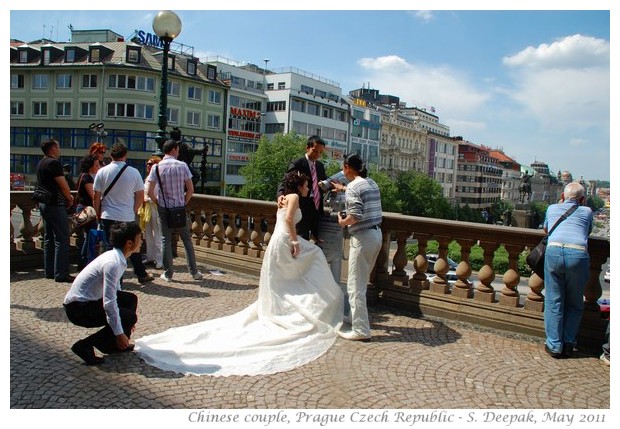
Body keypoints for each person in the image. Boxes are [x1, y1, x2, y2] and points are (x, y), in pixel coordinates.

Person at [135, 170, 343, 376]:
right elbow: (289, 220)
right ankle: (313, 301)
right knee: (313, 255)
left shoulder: (285, 196)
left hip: (277, 241)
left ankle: (286, 307)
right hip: (285, 240)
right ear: (299, 186)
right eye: (306, 185)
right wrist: (296, 241)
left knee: (282, 279)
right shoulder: (295, 196)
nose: (308, 188)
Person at [63, 222, 142, 365]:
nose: (141, 241)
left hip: (89, 302)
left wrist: (125, 324)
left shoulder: (117, 257)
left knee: (130, 300)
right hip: (78, 309)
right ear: (129, 243)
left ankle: (114, 344)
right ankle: (85, 345)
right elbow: (109, 301)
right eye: (139, 238)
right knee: (128, 316)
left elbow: (116, 291)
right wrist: (120, 329)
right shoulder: (113, 262)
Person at [334, 153, 383, 342]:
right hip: (376, 235)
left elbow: (355, 215)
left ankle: (361, 330)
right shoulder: (371, 182)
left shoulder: (353, 186)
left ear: (347, 167)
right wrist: (343, 188)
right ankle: (356, 318)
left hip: (362, 238)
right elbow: (358, 191)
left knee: (355, 286)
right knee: (361, 282)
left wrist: (342, 221)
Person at [542, 181, 593, 358]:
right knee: (575, 302)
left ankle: (554, 345)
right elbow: (586, 232)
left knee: (554, 300)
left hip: (554, 251)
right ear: (583, 199)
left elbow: (546, 229)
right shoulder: (587, 211)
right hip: (577, 255)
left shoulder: (551, 208)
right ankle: (568, 342)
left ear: (562, 197)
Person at [93, 143, 154, 284]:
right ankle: (140, 274)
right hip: (126, 216)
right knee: (132, 246)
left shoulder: (102, 172)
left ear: (111, 156)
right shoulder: (133, 172)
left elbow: (96, 196)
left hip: (108, 215)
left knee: (111, 248)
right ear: (125, 155)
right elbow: (140, 195)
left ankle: (114, 280)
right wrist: (133, 210)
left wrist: (97, 213)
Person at [146, 140, 203, 282]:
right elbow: (190, 189)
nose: (178, 152)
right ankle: (194, 272)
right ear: (173, 150)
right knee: (186, 240)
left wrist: (157, 201)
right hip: (179, 209)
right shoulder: (182, 166)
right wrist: (183, 202)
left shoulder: (156, 168)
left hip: (163, 208)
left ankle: (168, 274)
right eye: (177, 150)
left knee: (165, 239)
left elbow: (149, 190)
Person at [35, 138, 75, 283]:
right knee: (62, 238)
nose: (59, 150)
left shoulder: (41, 163)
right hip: (55, 204)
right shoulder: (53, 163)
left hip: (44, 203)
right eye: (58, 147)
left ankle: (49, 271)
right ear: (52, 149)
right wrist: (69, 197)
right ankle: (61, 273)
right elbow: (62, 184)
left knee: (48, 238)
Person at [277, 135, 327, 242]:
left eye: (320, 153)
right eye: (315, 151)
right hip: (302, 206)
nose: (317, 155)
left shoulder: (320, 166)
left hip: (317, 208)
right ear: (307, 148)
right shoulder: (298, 163)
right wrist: (281, 194)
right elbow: (285, 180)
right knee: (301, 239)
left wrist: (332, 185)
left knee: (316, 243)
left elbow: (324, 182)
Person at [75, 154, 101, 269]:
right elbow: (93, 195)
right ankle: (84, 260)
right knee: (90, 235)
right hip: (88, 210)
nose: (98, 167)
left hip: (84, 207)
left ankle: (84, 260)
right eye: (96, 165)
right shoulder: (87, 178)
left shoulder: (84, 176)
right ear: (90, 166)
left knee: (89, 235)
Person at [142, 155, 163, 269]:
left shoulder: (159, 178)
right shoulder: (148, 178)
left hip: (155, 206)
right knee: (148, 233)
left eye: (150, 164)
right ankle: (150, 257)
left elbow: (158, 193)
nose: (148, 166)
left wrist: (150, 199)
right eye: (148, 164)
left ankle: (160, 259)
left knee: (158, 234)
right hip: (147, 207)